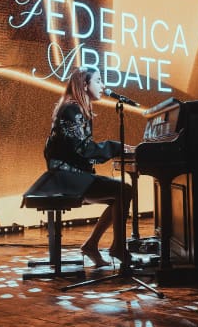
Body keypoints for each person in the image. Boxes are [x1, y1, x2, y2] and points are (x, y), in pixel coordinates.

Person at [44, 65, 133, 267]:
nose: (103, 86)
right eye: (99, 80)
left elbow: (80, 149)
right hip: (67, 179)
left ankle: (93, 245)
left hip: (67, 177)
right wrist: (116, 147)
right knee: (123, 191)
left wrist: (114, 149)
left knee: (120, 192)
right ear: (85, 85)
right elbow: (84, 149)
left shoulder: (74, 108)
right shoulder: (72, 109)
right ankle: (117, 247)